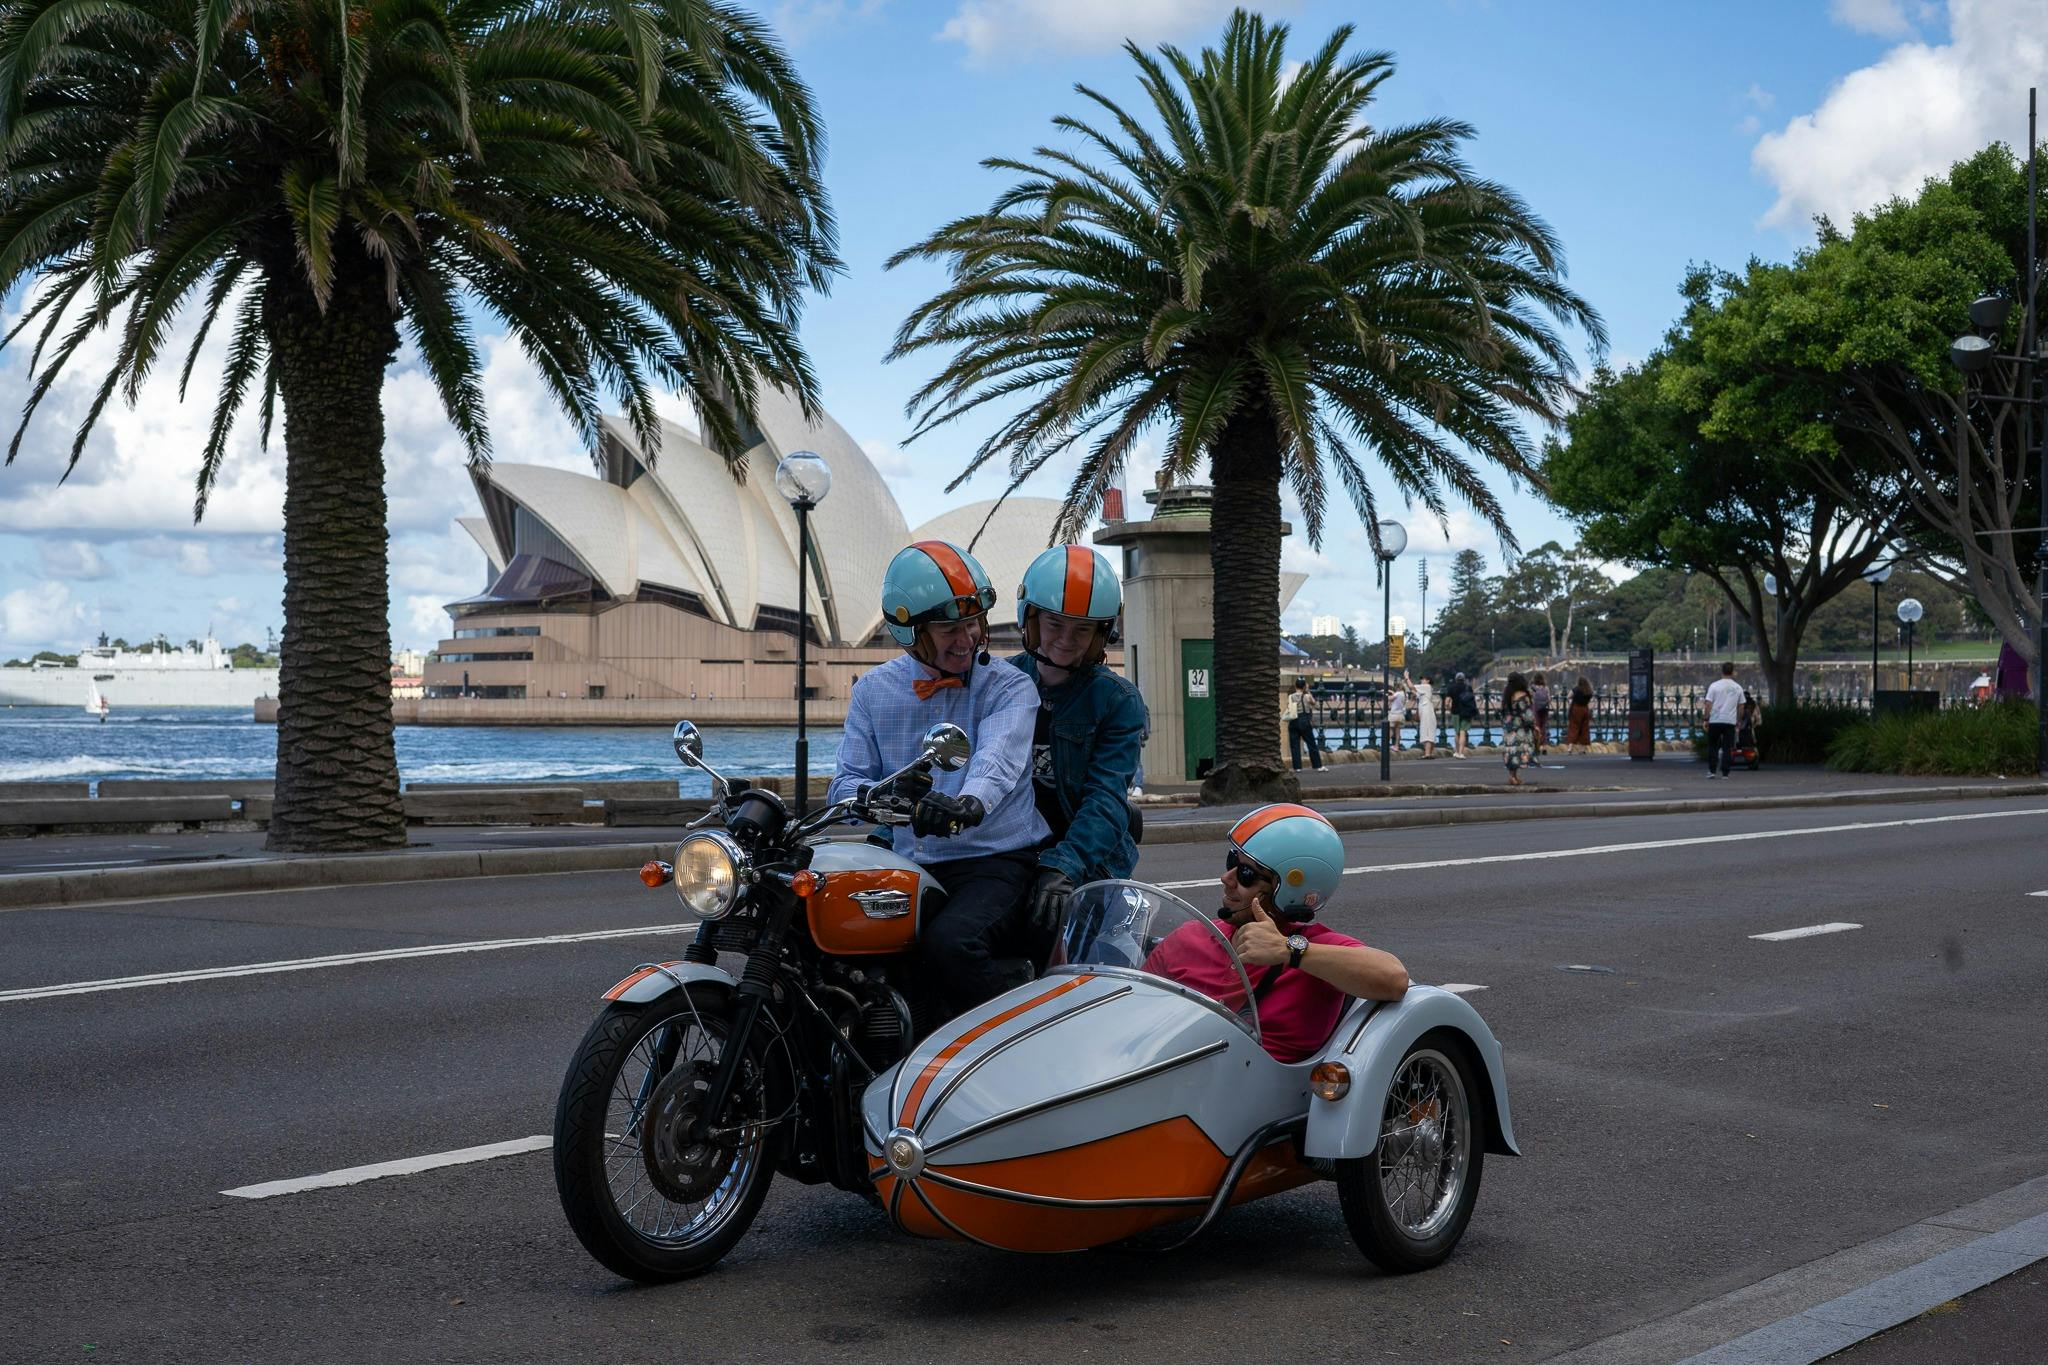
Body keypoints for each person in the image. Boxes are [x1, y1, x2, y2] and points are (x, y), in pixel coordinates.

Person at [827, 540, 1048, 1018]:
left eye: (973, 623)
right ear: (910, 632)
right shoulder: (872, 692)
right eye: (950, 628)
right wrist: (878, 798)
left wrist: (966, 805)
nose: (967, 638)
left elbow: (999, 760)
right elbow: (845, 783)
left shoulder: (1010, 687)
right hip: (911, 863)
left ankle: (1022, 1036)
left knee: (952, 944)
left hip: (994, 859)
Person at [1143, 804, 1408, 1062]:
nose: (1227, 878)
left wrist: (1288, 950)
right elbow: (1132, 1007)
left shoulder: (1314, 946)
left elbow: (1393, 978)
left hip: (1258, 1095)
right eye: (1232, 861)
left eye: (1246, 874)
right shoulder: (1192, 936)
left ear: (1288, 891)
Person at [1010, 545, 1150, 943]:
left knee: (1090, 962)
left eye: (1082, 629)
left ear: (1100, 634)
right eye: (1055, 623)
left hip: (1089, 859)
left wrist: (1065, 865)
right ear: (1031, 619)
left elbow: (1105, 797)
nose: (1066, 640)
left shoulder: (1116, 700)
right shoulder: (1000, 684)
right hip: (1011, 850)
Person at [1702, 660, 1744, 779]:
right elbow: (1741, 706)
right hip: (1729, 721)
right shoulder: (1738, 688)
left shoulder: (1714, 686)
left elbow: (1708, 704)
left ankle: (1712, 771)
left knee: (1713, 746)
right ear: (1733, 672)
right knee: (1727, 748)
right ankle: (1725, 773)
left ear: (1722, 671)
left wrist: (1706, 718)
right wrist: (1738, 720)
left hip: (1715, 720)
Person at [1499, 670, 1535, 786]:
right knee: (1518, 751)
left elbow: (1502, 713)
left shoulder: (1506, 695)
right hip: (1520, 728)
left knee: (1510, 751)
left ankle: (1513, 776)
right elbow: (1528, 715)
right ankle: (1513, 777)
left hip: (1508, 728)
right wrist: (1533, 724)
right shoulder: (1523, 695)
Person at [1285, 678, 1324, 771]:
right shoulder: (1307, 696)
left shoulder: (1290, 696)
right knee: (1311, 744)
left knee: (1294, 745)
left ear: (1295, 686)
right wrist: (1308, 691)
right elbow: (1317, 706)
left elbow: (1289, 707)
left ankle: (1297, 767)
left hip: (1293, 721)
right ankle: (1318, 766)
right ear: (1304, 687)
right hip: (1304, 721)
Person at [1448, 671, 1477, 757]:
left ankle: (1456, 752)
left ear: (1455, 679)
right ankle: (1461, 753)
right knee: (1463, 732)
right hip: (1466, 712)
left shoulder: (1451, 688)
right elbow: (1472, 700)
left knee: (1457, 732)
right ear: (1464, 679)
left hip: (1455, 712)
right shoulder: (1468, 687)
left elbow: (1447, 702)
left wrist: (1450, 709)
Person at [1565, 675, 1593, 751]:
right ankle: (1582, 749)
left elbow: (1568, 697)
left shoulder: (1576, 689)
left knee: (1573, 727)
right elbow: (1590, 701)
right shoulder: (1589, 690)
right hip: (1585, 709)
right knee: (1584, 729)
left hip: (1576, 709)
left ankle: (1570, 748)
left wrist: (1571, 702)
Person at [1414, 671, 1438, 758]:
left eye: (1423, 679)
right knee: (1428, 732)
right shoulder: (1425, 688)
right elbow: (1413, 691)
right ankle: (1429, 753)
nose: (1421, 681)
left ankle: (1427, 754)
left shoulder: (1427, 687)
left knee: (1427, 733)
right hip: (1426, 712)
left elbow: (1412, 687)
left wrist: (1406, 678)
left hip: (1427, 713)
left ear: (1428, 681)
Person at [1530, 672, 1550, 758]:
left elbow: (1529, 699)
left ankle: (1537, 747)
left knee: (1536, 727)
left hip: (1535, 709)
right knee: (1543, 728)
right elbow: (1549, 699)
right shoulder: (1546, 688)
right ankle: (1544, 747)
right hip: (1544, 709)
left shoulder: (1532, 688)